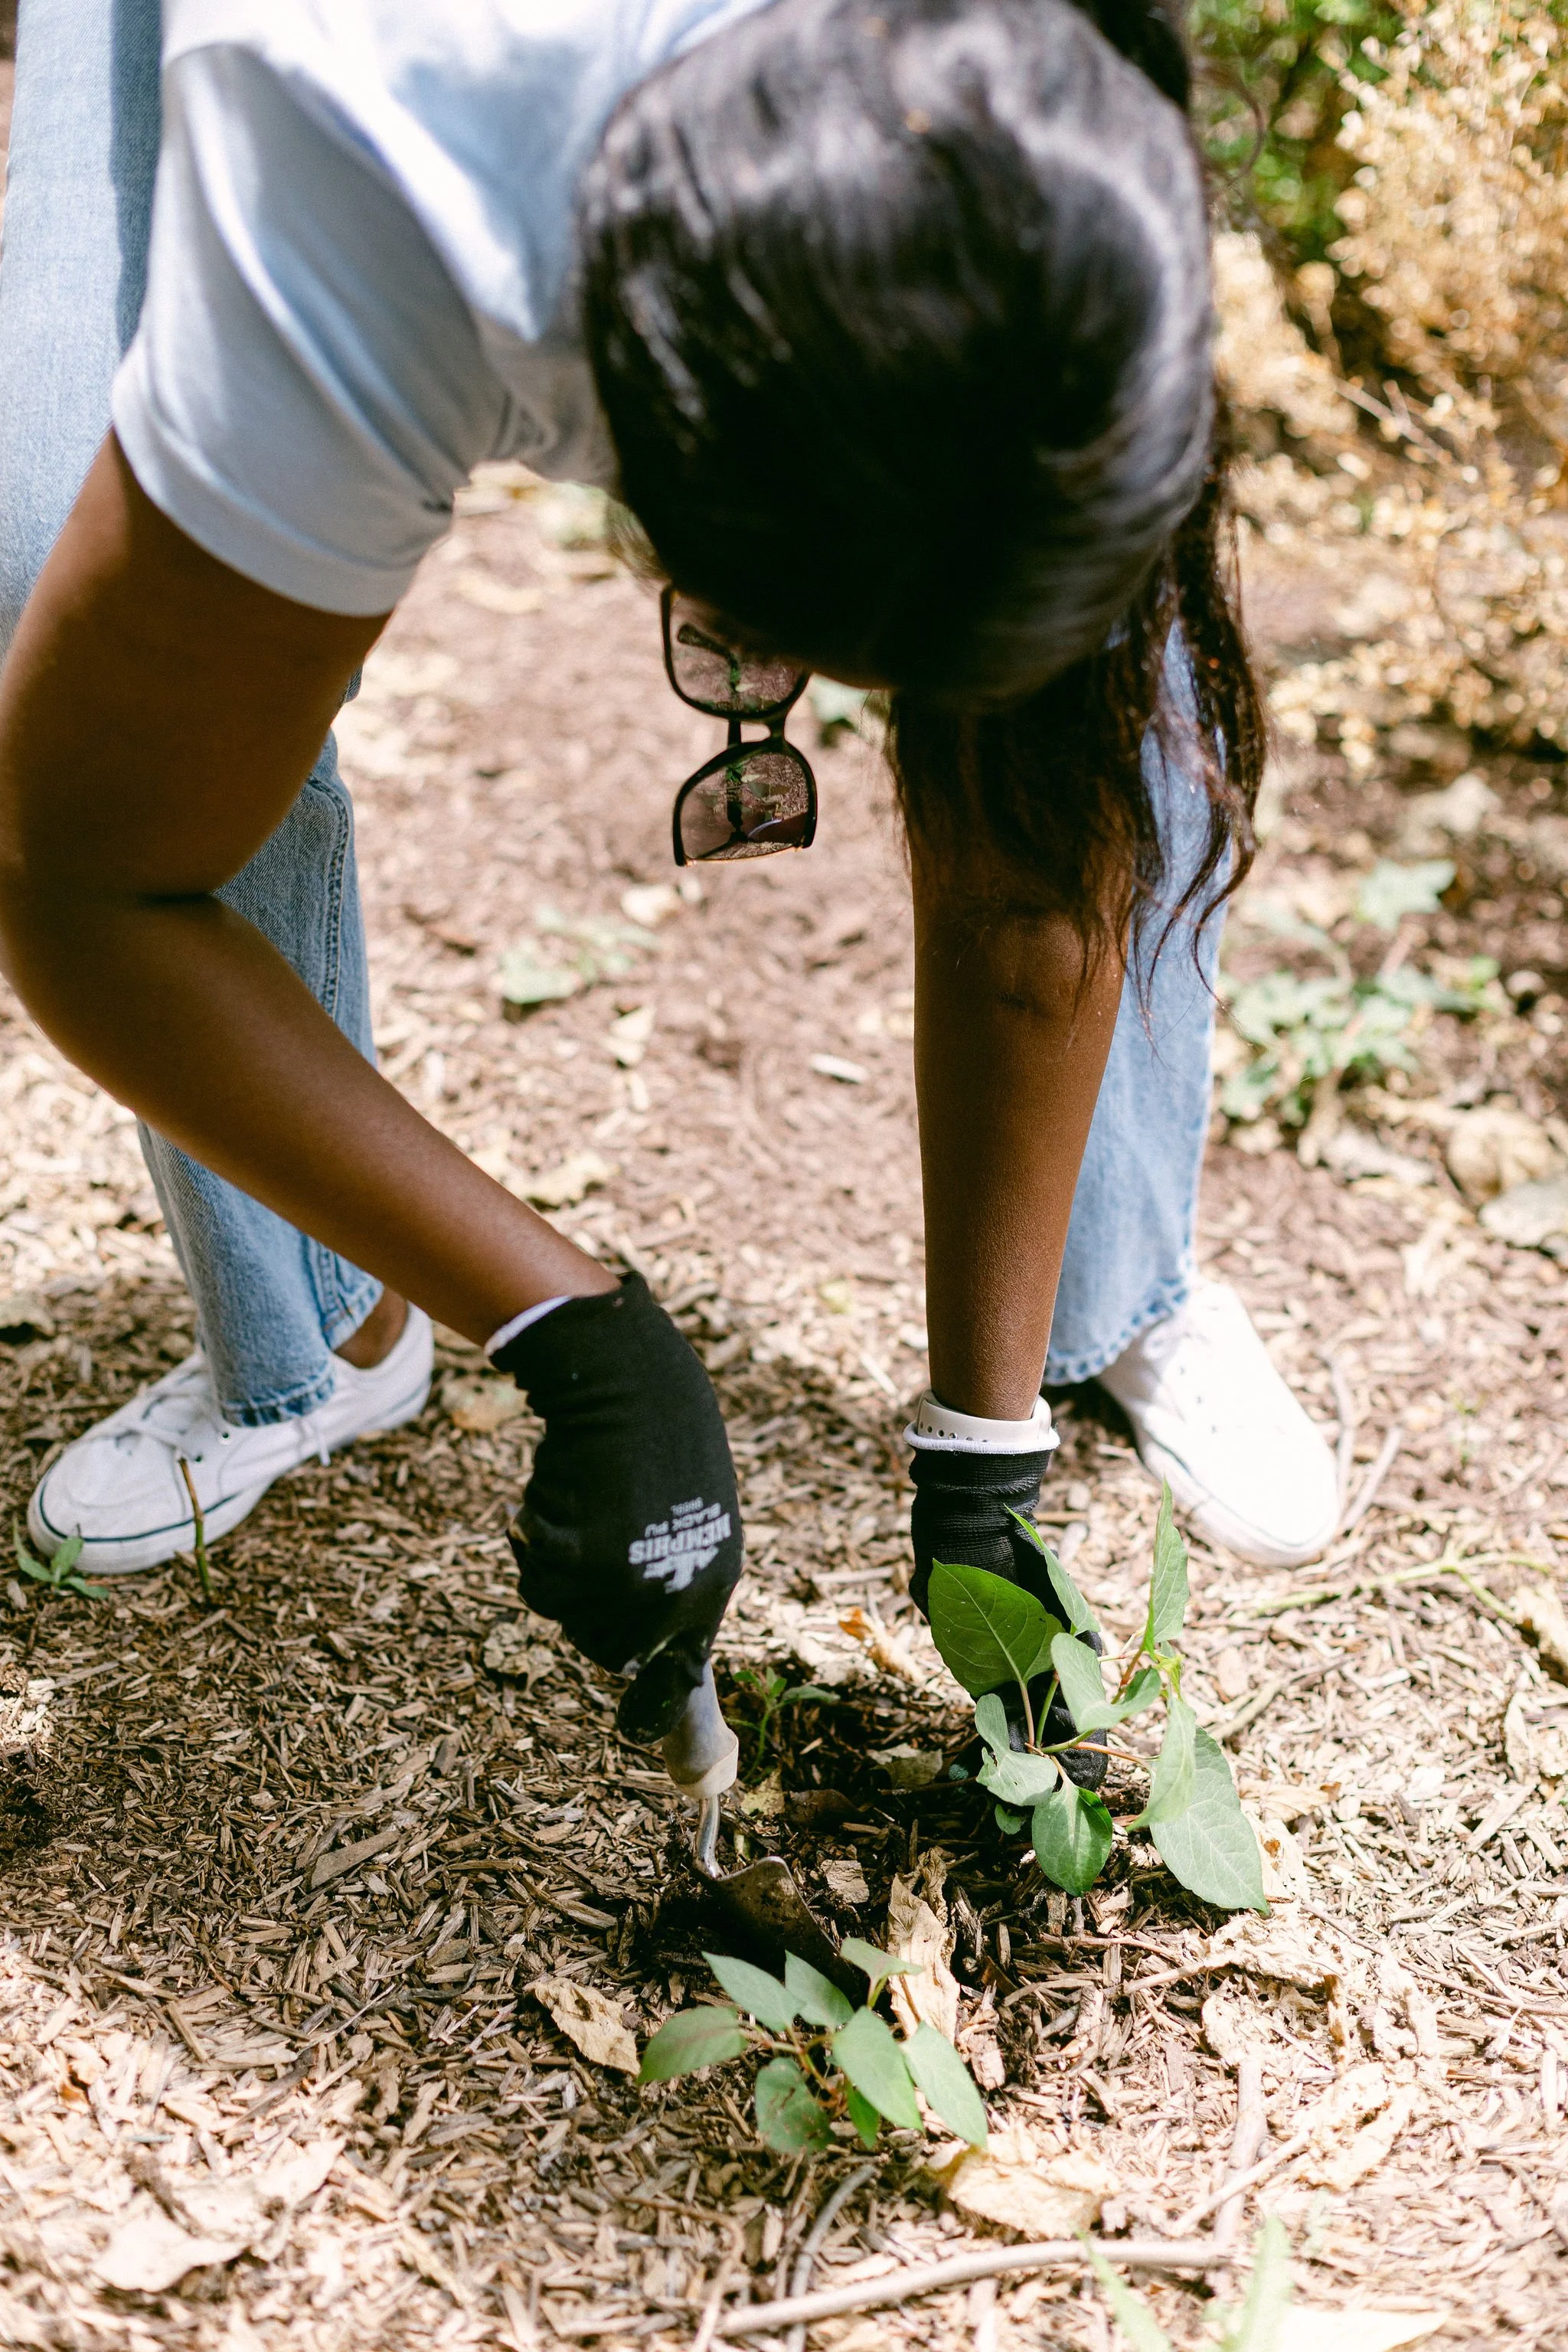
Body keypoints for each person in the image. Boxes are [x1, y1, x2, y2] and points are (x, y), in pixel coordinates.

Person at [0, 0, 1338, 1743]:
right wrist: (567, 1333)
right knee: (46, 601)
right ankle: (325, 1333)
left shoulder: (1051, 133)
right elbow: (83, 875)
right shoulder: (367, 167)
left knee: (1086, 635)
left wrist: (981, 1449)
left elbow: (1039, 834)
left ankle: (1097, 1310)